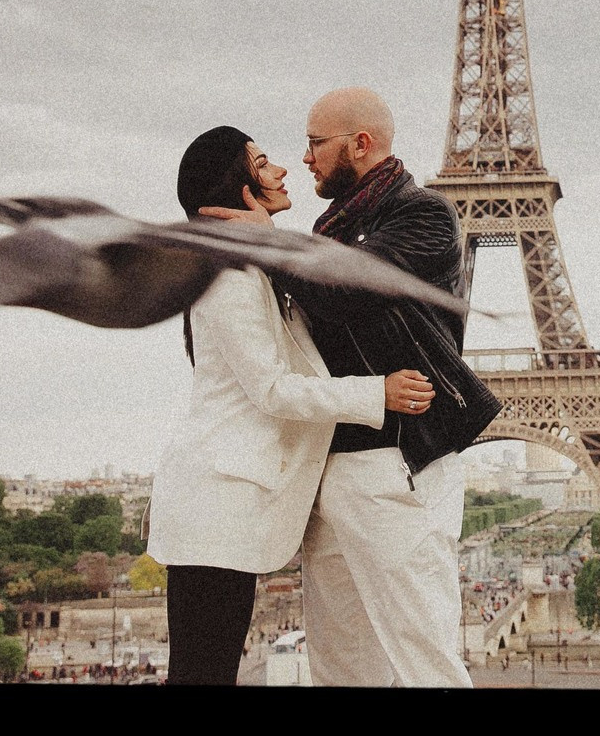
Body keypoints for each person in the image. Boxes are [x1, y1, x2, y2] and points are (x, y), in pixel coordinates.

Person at [202, 87, 500, 687]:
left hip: (399, 462)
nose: (305, 157)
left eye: (315, 142)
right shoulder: (330, 228)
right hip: (334, 466)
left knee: (423, 659)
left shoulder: (424, 215)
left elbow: (348, 290)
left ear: (360, 143)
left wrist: (273, 242)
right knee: (342, 667)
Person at [148, 125, 435, 685]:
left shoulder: (249, 265)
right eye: (262, 163)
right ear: (238, 186)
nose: (281, 170)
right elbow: (273, 388)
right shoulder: (229, 274)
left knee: (206, 672)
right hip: (215, 506)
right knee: (204, 672)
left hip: (225, 506)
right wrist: (376, 391)